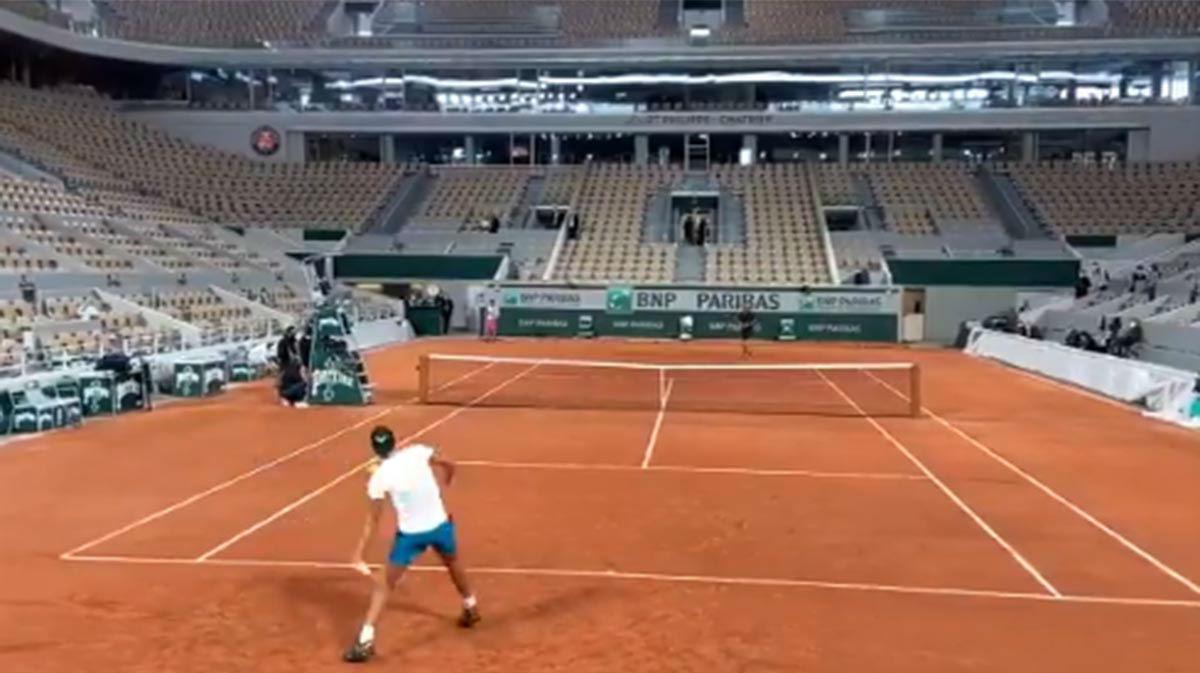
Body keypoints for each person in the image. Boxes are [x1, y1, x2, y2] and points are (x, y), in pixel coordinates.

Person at [343, 427, 480, 664]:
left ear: (375, 449)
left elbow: (373, 521)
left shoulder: (379, 477)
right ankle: (471, 606)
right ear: (395, 442)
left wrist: (359, 553)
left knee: (385, 584)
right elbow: (449, 463)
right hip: (440, 526)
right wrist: (448, 478)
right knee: (453, 562)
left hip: (411, 536)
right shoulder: (418, 452)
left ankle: (365, 641)